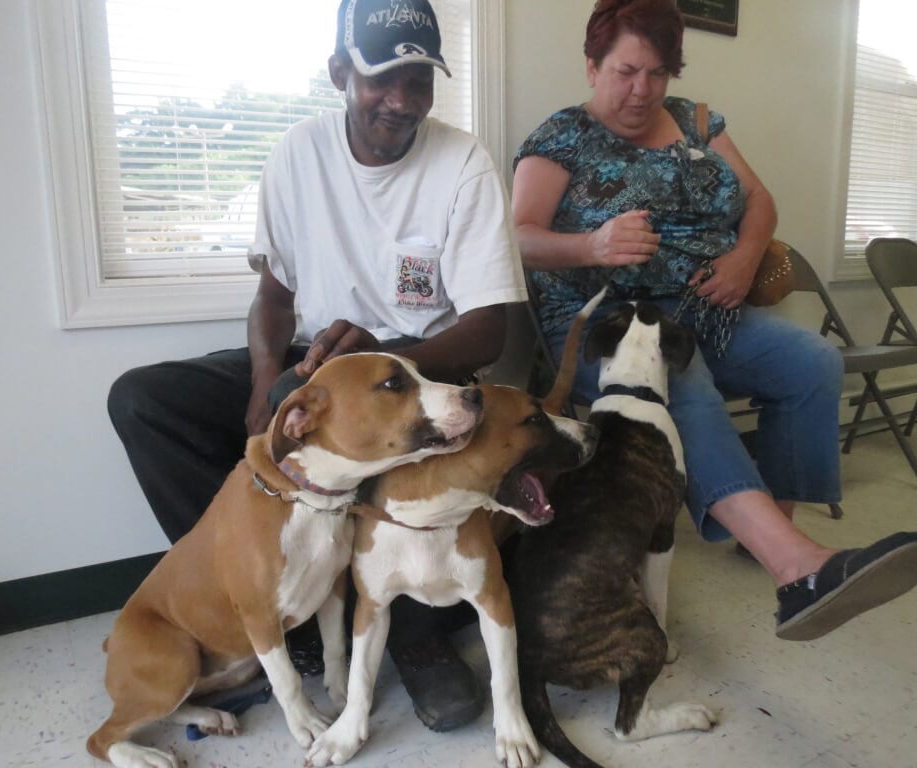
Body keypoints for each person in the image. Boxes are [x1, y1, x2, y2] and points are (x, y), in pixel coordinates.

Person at [108, 0, 527, 732]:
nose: (401, 100)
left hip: (416, 372)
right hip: (315, 365)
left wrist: (384, 359)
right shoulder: (296, 155)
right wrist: (261, 388)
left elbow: (489, 328)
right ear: (341, 74)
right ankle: (268, 602)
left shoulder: (462, 162)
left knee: (415, 461)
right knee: (143, 401)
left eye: (419, 80)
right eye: (382, 78)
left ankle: (416, 639)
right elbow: (273, 296)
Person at [511, 0, 917, 642]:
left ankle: (761, 532)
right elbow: (519, 237)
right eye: (624, 72)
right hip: (608, 322)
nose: (641, 90)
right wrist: (591, 246)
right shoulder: (561, 137)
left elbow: (758, 199)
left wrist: (743, 256)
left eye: (657, 73)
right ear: (591, 67)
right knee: (684, 381)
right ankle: (797, 568)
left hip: (706, 306)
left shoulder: (697, 121)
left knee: (814, 362)